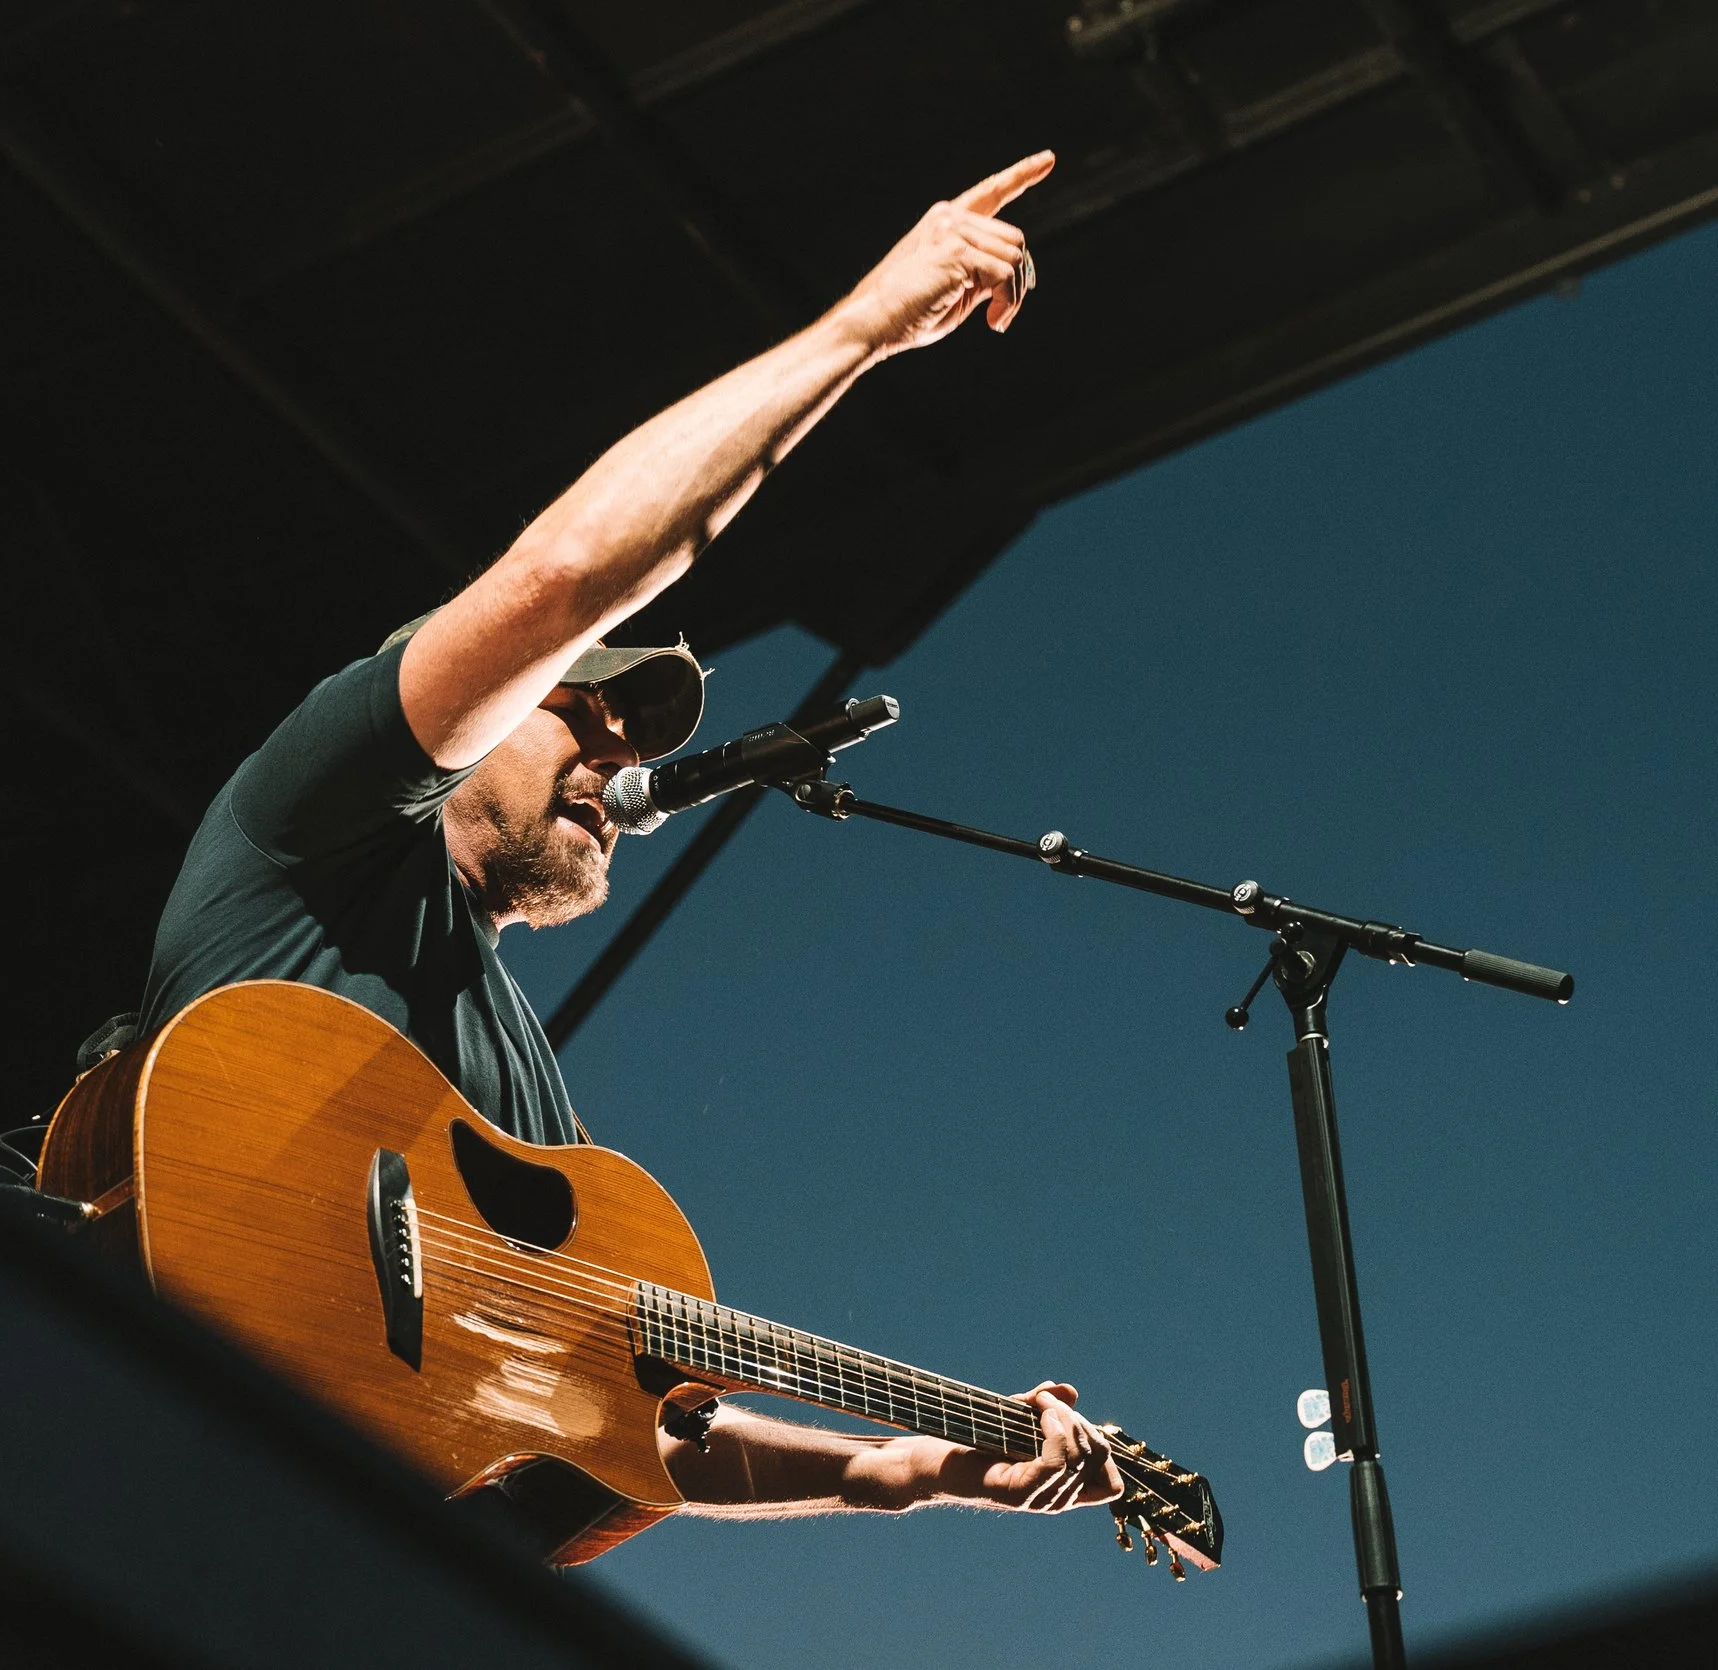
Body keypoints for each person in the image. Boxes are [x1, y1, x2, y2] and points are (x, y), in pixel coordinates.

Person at [134, 152, 1122, 1542]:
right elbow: (562, 581)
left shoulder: (524, 1104)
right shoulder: (316, 826)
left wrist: (914, 1466)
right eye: (581, 711)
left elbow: (629, 1431)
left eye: (627, 733)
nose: (620, 755)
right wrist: (861, 331)